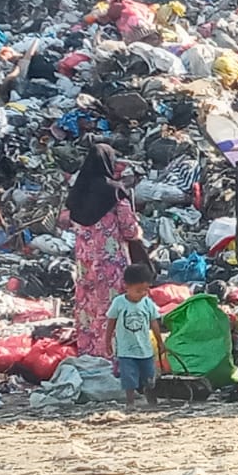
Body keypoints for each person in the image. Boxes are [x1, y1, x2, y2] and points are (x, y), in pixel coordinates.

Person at [66, 143, 144, 358]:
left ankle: (88, 353)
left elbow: (69, 220)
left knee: (87, 307)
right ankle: (111, 354)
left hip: (84, 263)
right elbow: (129, 230)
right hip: (110, 264)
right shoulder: (114, 191)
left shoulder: (78, 192)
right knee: (110, 309)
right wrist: (138, 233)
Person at [106, 263, 167, 408]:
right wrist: (107, 341)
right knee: (129, 378)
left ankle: (152, 400)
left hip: (145, 349)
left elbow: (154, 323)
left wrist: (160, 342)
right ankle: (130, 402)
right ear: (127, 286)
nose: (142, 294)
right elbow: (111, 323)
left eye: (145, 290)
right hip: (126, 350)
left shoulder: (148, 303)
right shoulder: (119, 303)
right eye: (138, 290)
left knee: (149, 377)